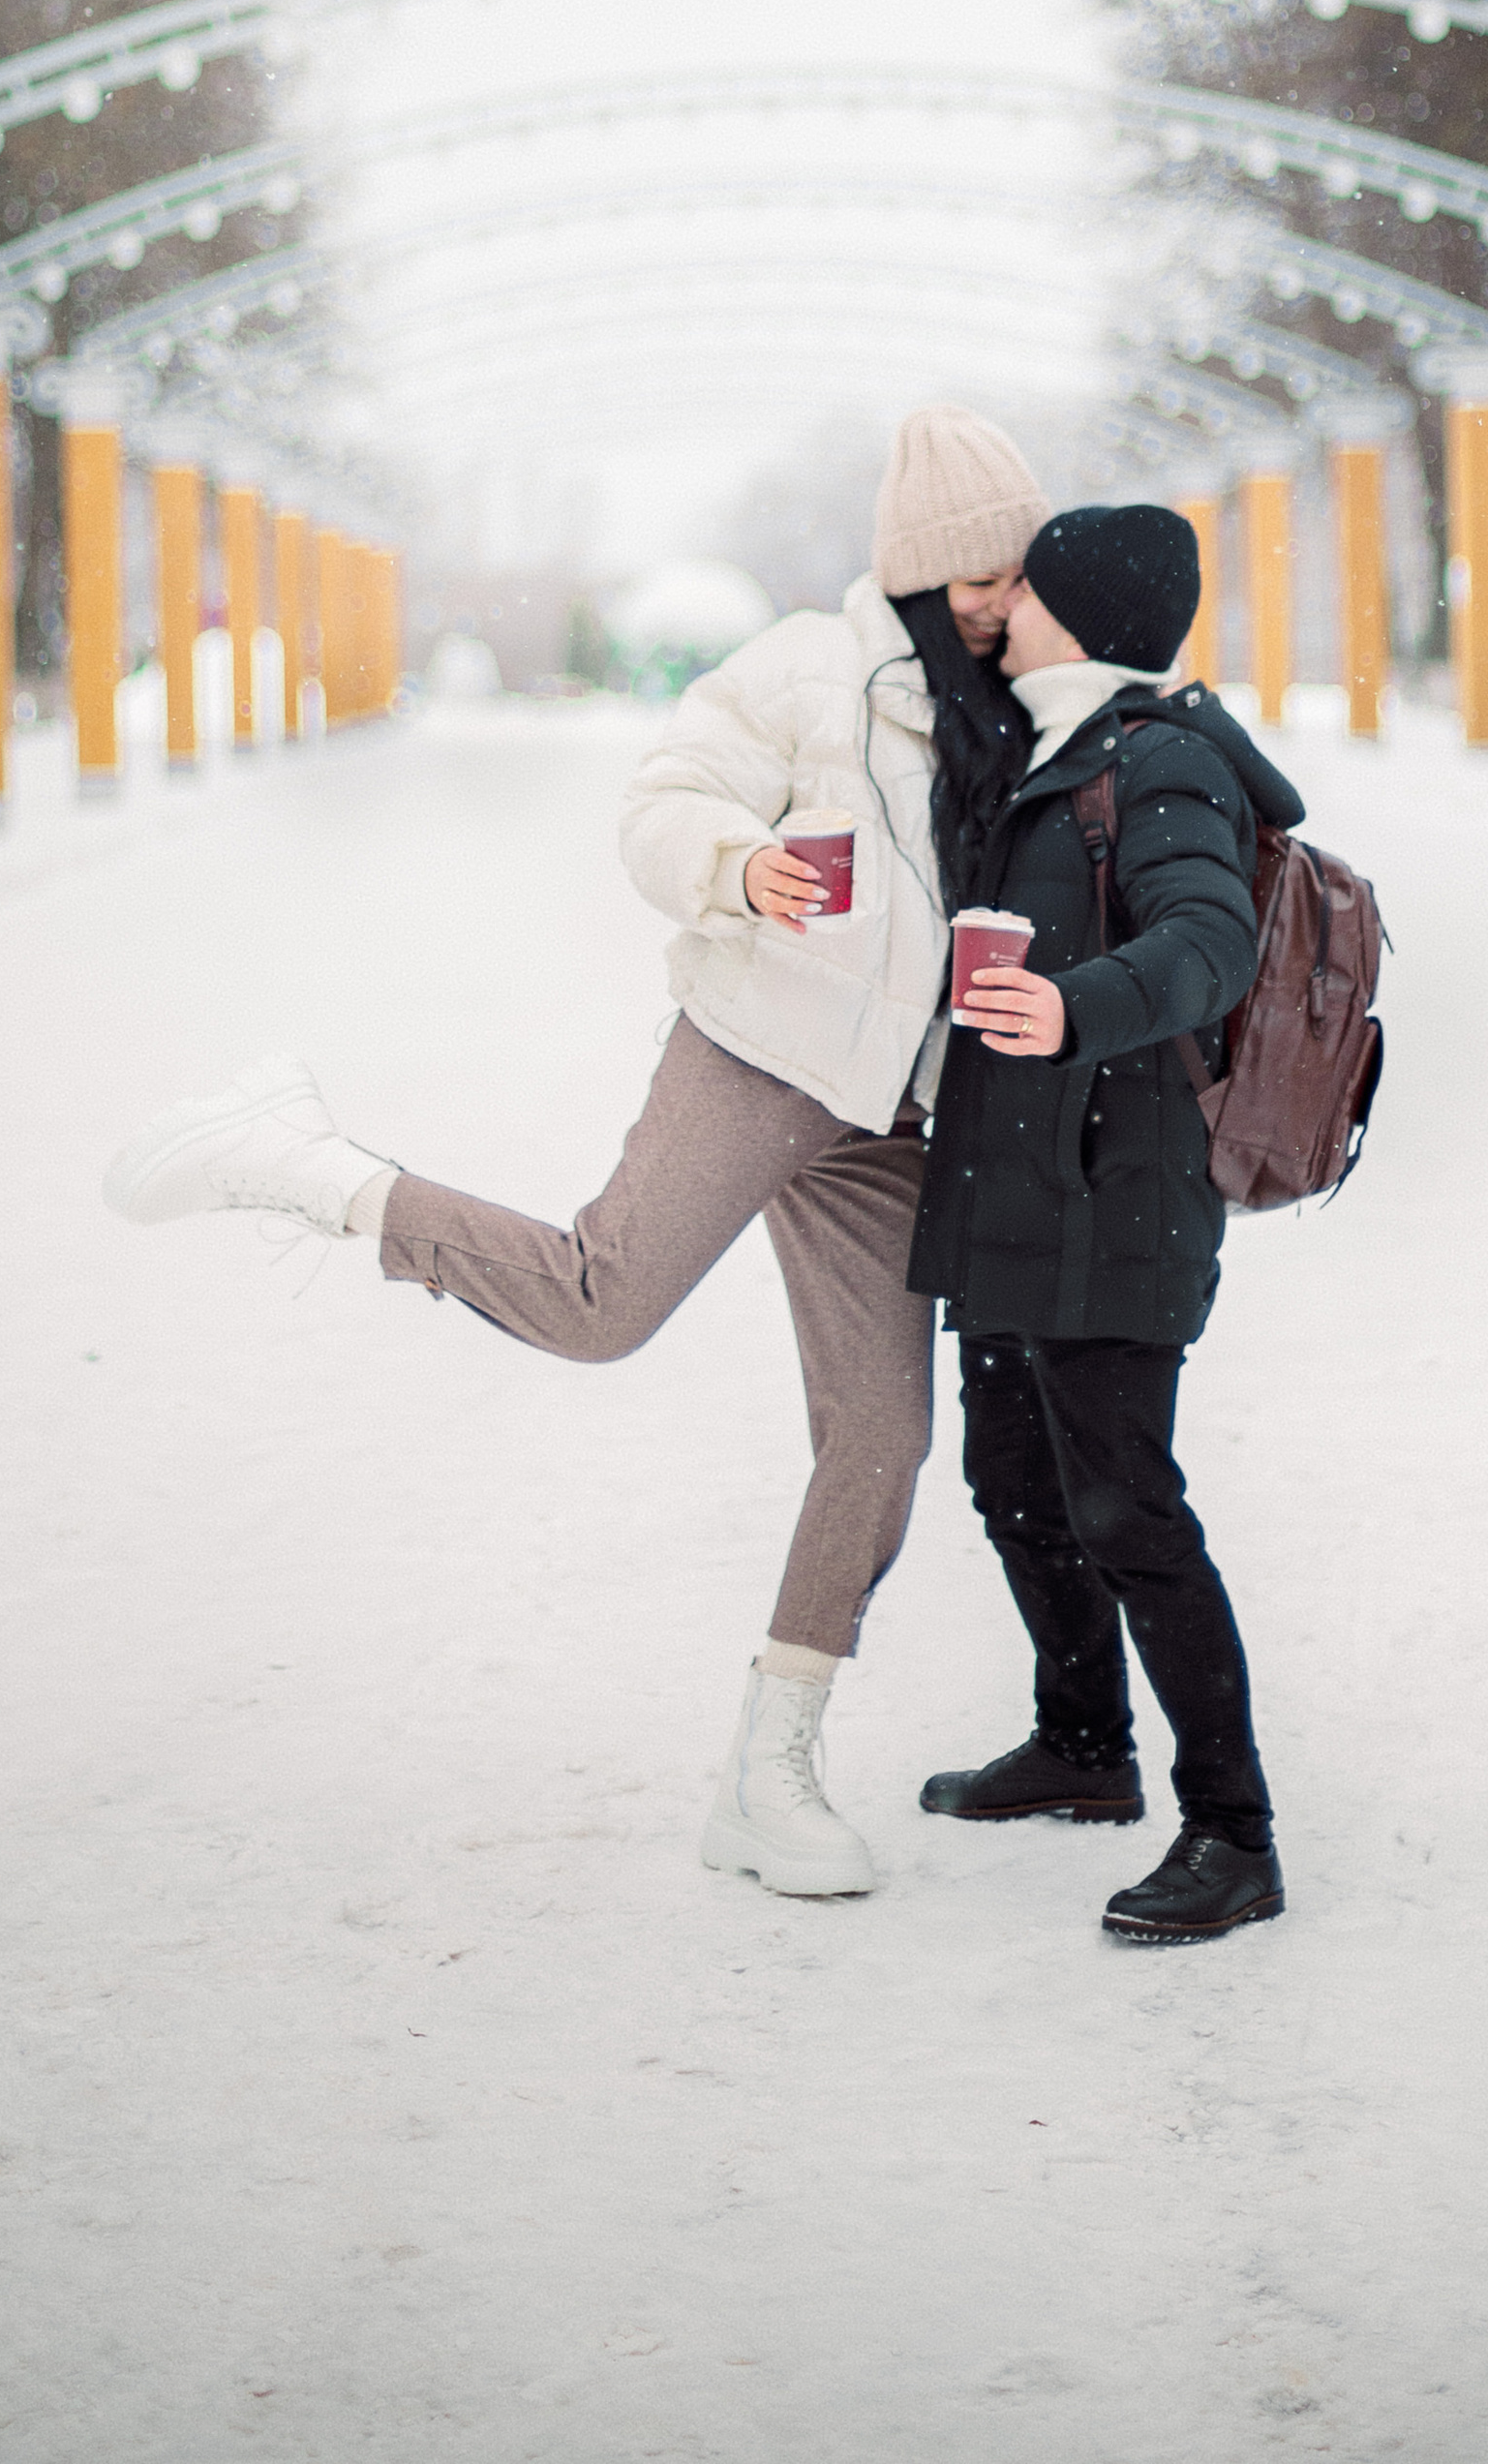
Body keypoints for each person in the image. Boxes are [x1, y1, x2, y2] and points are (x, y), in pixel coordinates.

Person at [102, 405, 1045, 1901]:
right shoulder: (806, 671)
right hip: (761, 1051)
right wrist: (744, 867)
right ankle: (314, 1169)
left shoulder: (1018, 697)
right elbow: (660, 806)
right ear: (931, 572)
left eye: (1023, 570)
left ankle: (769, 1769)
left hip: (899, 1117)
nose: (1012, 600)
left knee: (880, 1443)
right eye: (989, 575)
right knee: (604, 1305)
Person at [906, 501, 1305, 1946]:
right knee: (1014, 1480)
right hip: (1020, 1190)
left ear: (1085, 610)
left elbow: (1208, 941)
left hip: (1118, 1201)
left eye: (1027, 592)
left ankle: (1233, 1832)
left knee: (1129, 1509)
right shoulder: (1051, 748)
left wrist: (1076, 1004)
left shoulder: (1163, 760)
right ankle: (1083, 1743)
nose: (1001, 613)